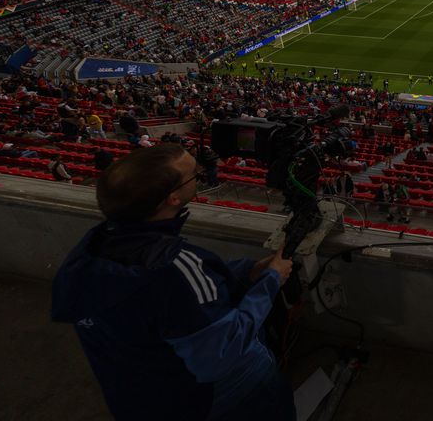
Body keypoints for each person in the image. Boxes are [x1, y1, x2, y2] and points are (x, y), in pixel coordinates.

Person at [51, 143, 296, 421]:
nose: (200, 173)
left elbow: (176, 296)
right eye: (193, 175)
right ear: (173, 198)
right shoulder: (174, 266)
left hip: (138, 396)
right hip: (204, 399)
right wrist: (271, 280)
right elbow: (221, 353)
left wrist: (245, 272)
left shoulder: (89, 254)